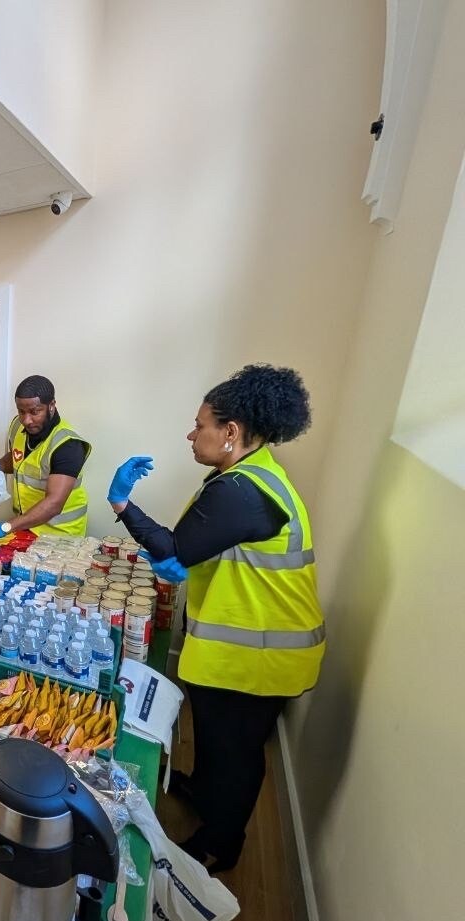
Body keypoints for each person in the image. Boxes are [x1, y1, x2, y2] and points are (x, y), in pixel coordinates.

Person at [107, 364, 325, 872]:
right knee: (214, 737)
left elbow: (176, 550)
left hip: (261, 655)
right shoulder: (245, 474)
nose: (190, 433)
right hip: (241, 646)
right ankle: (202, 792)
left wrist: (120, 502)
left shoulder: (242, 491)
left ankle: (220, 844)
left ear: (230, 433)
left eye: (199, 424)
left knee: (238, 754)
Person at [0, 375, 91, 550]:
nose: (26, 420)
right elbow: (20, 458)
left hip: (60, 538)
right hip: (26, 528)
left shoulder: (68, 445)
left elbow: (54, 503)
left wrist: (5, 527)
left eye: (34, 412)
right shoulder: (18, 426)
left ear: (52, 406)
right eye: (21, 411)